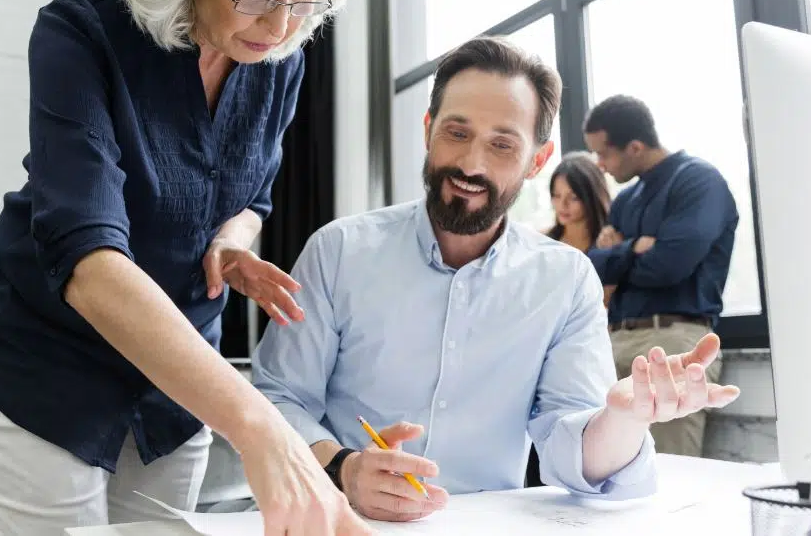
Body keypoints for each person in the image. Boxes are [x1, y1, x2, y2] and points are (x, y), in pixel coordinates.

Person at [0, 0, 372, 534]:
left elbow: (252, 193)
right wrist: (262, 426)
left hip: (176, 388)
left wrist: (232, 242)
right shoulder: (81, 33)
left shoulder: (279, 59)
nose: (282, 22)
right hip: (44, 365)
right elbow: (88, 261)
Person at [252, 37, 740, 522]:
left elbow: (573, 449)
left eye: (502, 145)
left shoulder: (566, 280)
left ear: (537, 160)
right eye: (456, 133)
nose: (471, 164)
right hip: (339, 519)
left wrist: (624, 419)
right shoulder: (340, 251)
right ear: (428, 130)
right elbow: (279, 398)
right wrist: (342, 468)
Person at [583, 94, 740, 458]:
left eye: (604, 154)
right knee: (607, 472)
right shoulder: (625, 200)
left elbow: (668, 267)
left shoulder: (699, 182)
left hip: (674, 341)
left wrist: (616, 255)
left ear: (635, 147)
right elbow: (593, 267)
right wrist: (634, 247)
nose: (600, 165)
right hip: (614, 341)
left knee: (672, 474)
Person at [545, 151, 611, 252]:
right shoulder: (544, 242)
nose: (562, 205)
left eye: (573, 197)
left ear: (591, 196)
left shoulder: (608, 242)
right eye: (557, 195)